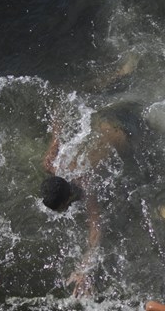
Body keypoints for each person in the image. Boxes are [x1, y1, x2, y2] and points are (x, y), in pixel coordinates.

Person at [41, 111, 131, 296]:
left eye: (62, 207)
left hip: (124, 135)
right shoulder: (50, 163)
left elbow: (96, 227)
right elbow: (56, 131)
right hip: (102, 122)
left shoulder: (85, 183)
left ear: (68, 198)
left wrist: (84, 269)